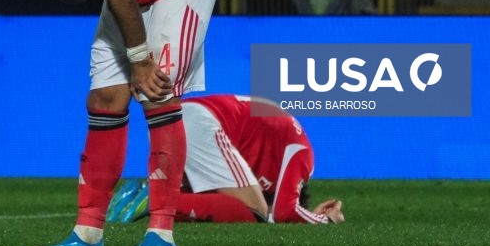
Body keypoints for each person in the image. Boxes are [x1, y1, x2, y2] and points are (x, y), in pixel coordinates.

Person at [0, 0, 221, 246]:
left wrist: (140, 61)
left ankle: (161, 236)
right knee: (104, 98)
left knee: (156, 90)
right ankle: (87, 236)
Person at [107, 94, 345, 225]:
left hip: (175, 117)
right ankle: (156, 199)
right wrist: (325, 219)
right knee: (256, 213)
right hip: (201, 124)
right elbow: (282, 213)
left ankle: (147, 196)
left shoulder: (271, 152)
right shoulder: (303, 154)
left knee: (211, 203)